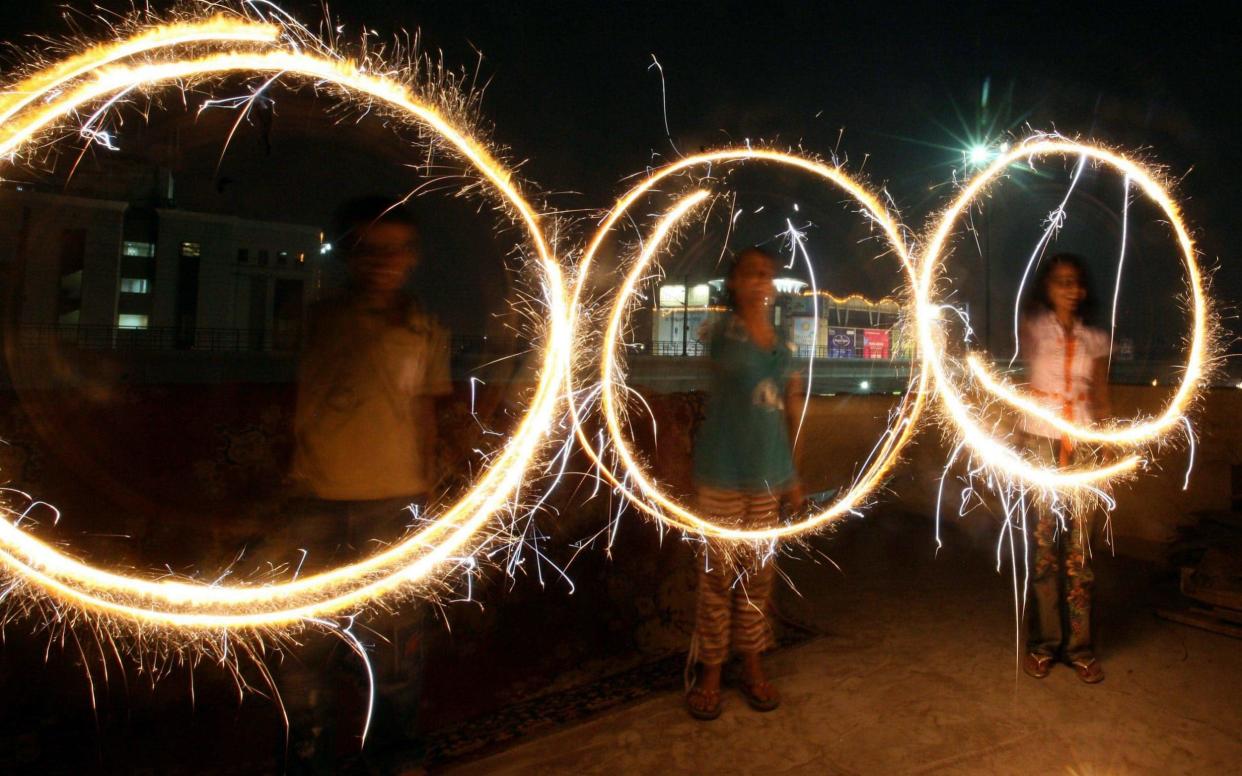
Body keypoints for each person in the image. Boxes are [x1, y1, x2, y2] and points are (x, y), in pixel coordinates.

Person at [284, 196, 452, 763]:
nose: (384, 260)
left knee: (397, 650)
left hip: (395, 504)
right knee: (305, 649)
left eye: (397, 249)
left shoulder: (425, 330)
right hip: (316, 502)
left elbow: (427, 412)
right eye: (369, 248)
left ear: (413, 257)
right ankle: (306, 757)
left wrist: (426, 491)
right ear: (349, 254)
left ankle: (395, 754)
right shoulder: (320, 320)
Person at [684, 246, 805, 720]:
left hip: (768, 476)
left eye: (767, 275)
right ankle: (711, 669)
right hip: (722, 473)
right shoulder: (722, 335)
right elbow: (733, 375)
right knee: (716, 577)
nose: (761, 282)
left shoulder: (785, 344)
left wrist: (794, 474)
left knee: (757, 579)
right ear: (733, 282)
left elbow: (790, 408)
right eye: (751, 274)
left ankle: (752, 664)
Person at [1019, 252, 1110, 684]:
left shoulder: (1094, 339)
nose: (1069, 288)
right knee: (1043, 551)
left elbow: (1101, 395)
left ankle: (1079, 648)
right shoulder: (1035, 330)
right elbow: (1018, 378)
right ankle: (1042, 645)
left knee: (1078, 554)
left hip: (1084, 445)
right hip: (1040, 440)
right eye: (1059, 281)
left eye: (1075, 281)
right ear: (1047, 288)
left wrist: (1108, 445)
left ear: (1084, 289)